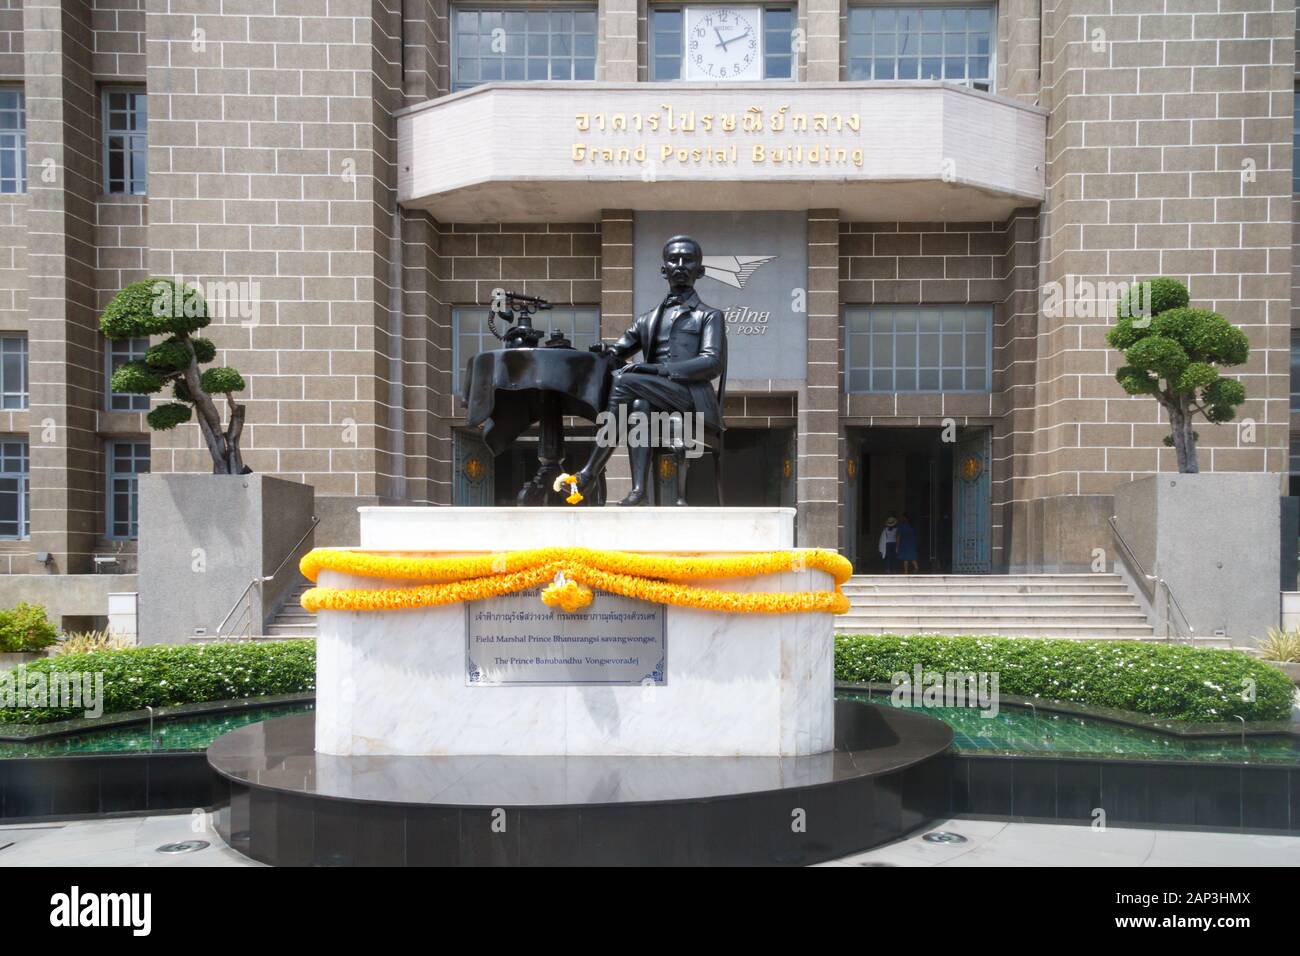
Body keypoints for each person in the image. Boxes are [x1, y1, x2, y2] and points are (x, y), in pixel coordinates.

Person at [571, 235, 726, 504]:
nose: (679, 265)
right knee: (640, 405)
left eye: (687, 260)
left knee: (625, 381)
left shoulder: (709, 316)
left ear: (699, 271)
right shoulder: (648, 319)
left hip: (692, 400)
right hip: (655, 398)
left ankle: (589, 473)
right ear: (663, 269)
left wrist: (657, 370)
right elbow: (617, 350)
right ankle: (639, 491)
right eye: (673, 259)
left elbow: (712, 363)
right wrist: (603, 351)